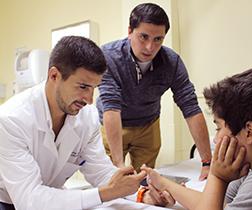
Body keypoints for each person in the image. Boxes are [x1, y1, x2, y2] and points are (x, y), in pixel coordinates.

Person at [0, 36, 172, 210]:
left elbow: (101, 172)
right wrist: (105, 193)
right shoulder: (11, 120)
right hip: (9, 202)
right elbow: (29, 200)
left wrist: (143, 195)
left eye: (93, 88)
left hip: (52, 199)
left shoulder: (86, 117)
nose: (89, 100)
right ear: (54, 75)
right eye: (83, 87)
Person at [96, 2, 211, 179]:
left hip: (148, 126)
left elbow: (191, 108)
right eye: (143, 37)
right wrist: (119, 164)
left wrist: (207, 162)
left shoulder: (172, 62)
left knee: (144, 181)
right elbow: (111, 107)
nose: (150, 47)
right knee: (111, 180)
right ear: (129, 31)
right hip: (113, 124)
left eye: (158, 39)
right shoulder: (108, 57)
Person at [141, 66, 252, 210]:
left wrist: (217, 176)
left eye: (219, 128)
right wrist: (163, 183)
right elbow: (216, 204)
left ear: (250, 132)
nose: (215, 139)